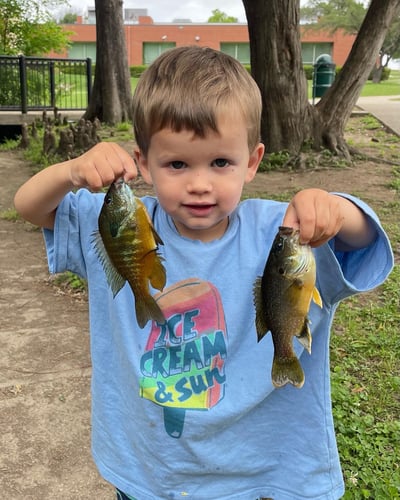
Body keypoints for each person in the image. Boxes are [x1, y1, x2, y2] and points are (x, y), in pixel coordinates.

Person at [14, 46, 393, 500]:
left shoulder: (281, 233)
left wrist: (335, 208)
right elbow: (31, 207)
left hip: (261, 474)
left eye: (220, 163)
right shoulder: (122, 224)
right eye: (176, 164)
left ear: (252, 162)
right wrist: (70, 171)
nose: (199, 183)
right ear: (145, 163)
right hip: (151, 472)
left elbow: (362, 239)